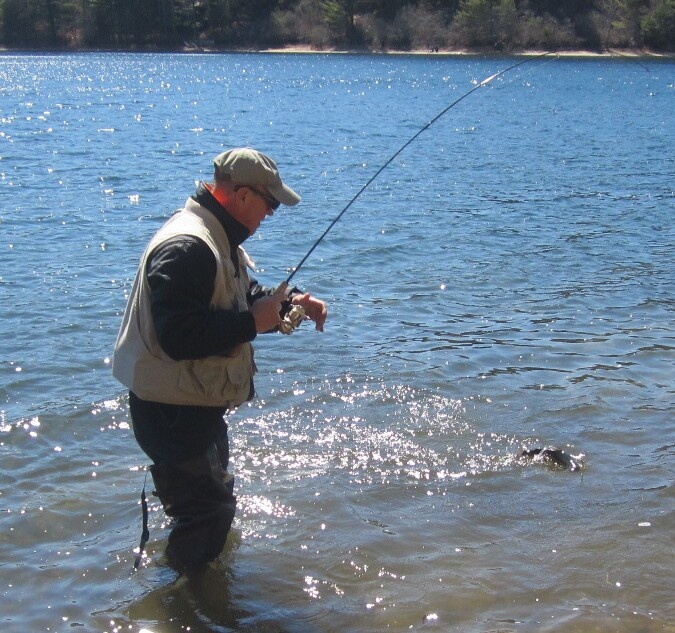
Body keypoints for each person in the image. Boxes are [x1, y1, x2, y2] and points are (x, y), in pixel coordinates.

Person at [113, 147, 328, 574]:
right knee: (208, 512)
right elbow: (178, 336)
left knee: (208, 507)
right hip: (171, 411)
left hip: (192, 404)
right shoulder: (188, 245)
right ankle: (184, 600)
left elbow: (239, 297)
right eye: (269, 204)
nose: (271, 214)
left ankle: (189, 585)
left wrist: (289, 305)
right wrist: (251, 324)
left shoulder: (219, 236)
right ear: (243, 195)